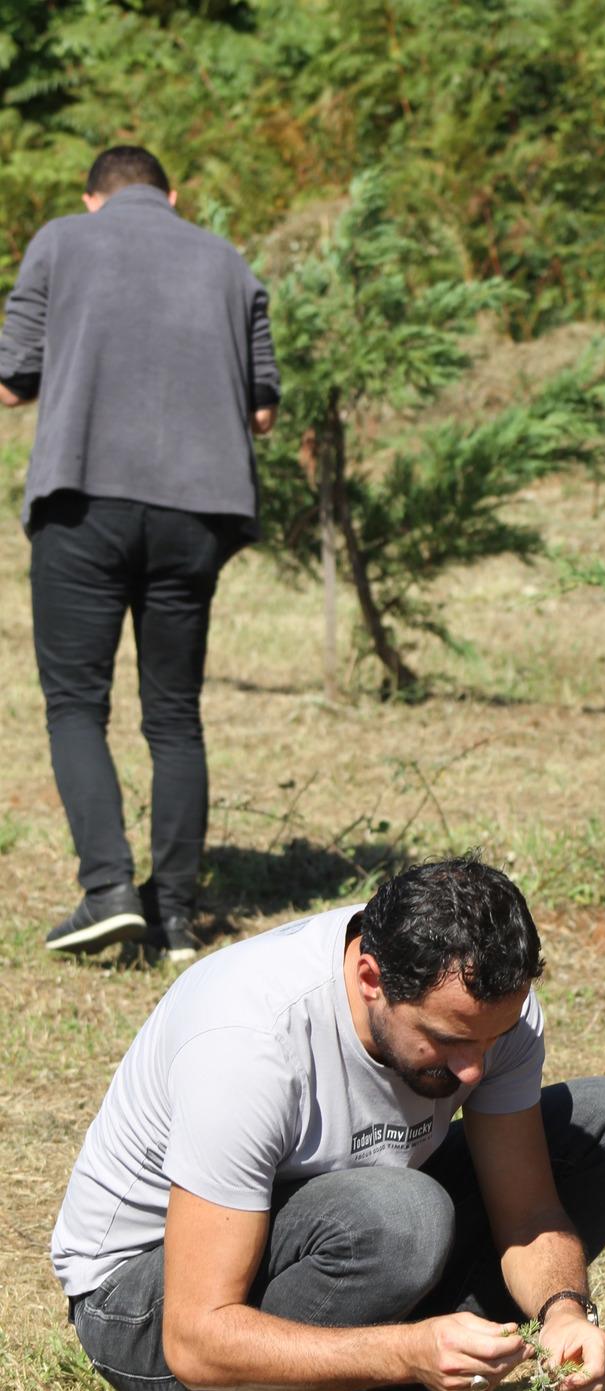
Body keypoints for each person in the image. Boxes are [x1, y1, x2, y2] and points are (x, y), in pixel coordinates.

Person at [50, 854, 605, 1391]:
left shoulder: (485, 1018)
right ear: (371, 978)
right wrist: (406, 1349)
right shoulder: (249, 1038)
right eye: (449, 1040)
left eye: (491, 1039)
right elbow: (193, 1337)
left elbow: (527, 1213)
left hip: (339, 1226)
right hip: (143, 1303)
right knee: (399, 1217)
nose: (474, 1069)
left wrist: (562, 1311)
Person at [0, 144, 280, 961]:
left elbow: (13, 379)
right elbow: (262, 413)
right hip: (198, 513)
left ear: (93, 199)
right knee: (173, 714)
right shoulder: (228, 260)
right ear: (172, 196)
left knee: (77, 703)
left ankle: (107, 891)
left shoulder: (59, 239)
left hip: (84, 499)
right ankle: (177, 918)